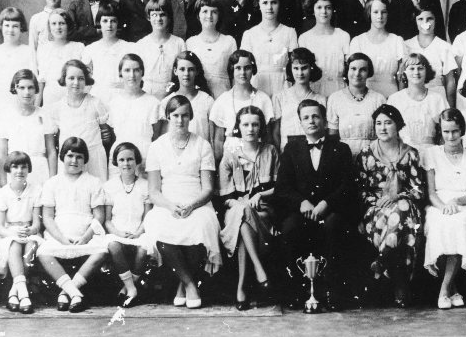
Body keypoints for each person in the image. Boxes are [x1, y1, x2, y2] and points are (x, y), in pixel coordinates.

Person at [273, 99, 357, 310]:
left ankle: (332, 290)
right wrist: (301, 202)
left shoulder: (341, 149)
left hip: (331, 210)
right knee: (290, 228)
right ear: (300, 122)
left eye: (315, 116)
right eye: (306, 118)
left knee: (334, 227)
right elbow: (283, 186)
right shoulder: (291, 149)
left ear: (324, 120)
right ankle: (297, 289)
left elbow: (347, 186)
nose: (311, 121)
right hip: (301, 210)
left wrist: (326, 204)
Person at [142, 96, 223, 309]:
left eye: (184, 115)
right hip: (166, 203)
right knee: (157, 225)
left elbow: (208, 188)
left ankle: (182, 283)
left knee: (202, 224)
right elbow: (153, 190)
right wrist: (170, 206)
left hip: (197, 202)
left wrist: (191, 205)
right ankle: (189, 284)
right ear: (168, 117)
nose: (180, 120)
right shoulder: (157, 147)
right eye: (175, 116)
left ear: (191, 117)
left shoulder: (202, 145)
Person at [357, 104, 425, 307]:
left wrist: (397, 197)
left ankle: (382, 260)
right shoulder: (366, 154)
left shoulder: (410, 153)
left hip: (405, 206)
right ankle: (400, 285)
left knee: (401, 209)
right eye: (378, 123)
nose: (383, 128)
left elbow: (419, 190)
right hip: (376, 209)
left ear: (398, 126)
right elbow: (360, 190)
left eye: (388, 123)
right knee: (398, 221)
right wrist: (378, 201)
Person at [422, 109, 466, 309]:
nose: (451, 136)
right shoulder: (432, 154)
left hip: (465, 205)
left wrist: (456, 202)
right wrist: (444, 206)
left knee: (460, 224)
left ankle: (444, 289)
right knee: (441, 224)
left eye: (455, 131)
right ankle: (453, 289)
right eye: (446, 131)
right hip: (438, 205)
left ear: (462, 131)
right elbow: (431, 192)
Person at [37, 137, 108, 313]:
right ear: (62, 157)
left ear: (85, 160)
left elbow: (99, 216)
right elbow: (47, 217)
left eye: (79, 157)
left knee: (101, 251)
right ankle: (75, 295)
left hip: (85, 236)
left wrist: (86, 237)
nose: (74, 161)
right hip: (59, 236)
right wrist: (61, 239)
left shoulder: (93, 182)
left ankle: (66, 292)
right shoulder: (52, 183)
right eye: (70, 156)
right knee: (43, 253)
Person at [218, 106, 278, 310]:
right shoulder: (230, 155)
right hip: (236, 211)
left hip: (263, 214)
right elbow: (225, 196)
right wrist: (242, 204)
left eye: (255, 124)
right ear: (238, 127)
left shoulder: (270, 151)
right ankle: (259, 271)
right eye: (245, 124)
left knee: (242, 219)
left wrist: (261, 194)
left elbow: (279, 188)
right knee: (240, 213)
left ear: (261, 127)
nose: (250, 129)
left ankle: (241, 287)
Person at [0, 151, 43, 314]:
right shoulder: (2, 193)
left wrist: (30, 230)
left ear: (29, 169)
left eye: (24, 167)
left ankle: (14, 293)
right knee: (13, 245)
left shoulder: (36, 190)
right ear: (8, 169)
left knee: (32, 245)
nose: (19, 171)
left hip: (29, 232)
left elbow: (37, 223)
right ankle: (24, 293)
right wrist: (13, 234)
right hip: (8, 233)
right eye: (15, 167)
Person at [47, 60, 112, 181]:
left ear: (86, 80)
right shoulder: (57, 108)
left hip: (94, 158)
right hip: (70, 159)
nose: (76, 82)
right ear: (64, 79)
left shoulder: (95, 103)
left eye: (81, 78)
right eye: (71, 78)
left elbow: (106, 134)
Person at [104, 143, 150, 308]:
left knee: (144, 248)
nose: (126, 163)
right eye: (121, 160)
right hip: (117, 232)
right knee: (113, 245)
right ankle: (131, 288)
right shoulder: (110, 186)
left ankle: (127, 288)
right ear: (116, 163)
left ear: (137, 161)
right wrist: (118, 233)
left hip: (139, 231)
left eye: (130, 159)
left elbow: (147, 216)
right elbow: (107, 220)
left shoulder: (145, 185)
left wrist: (138, 232)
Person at [0, 69, 57, 187]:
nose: (27, 92)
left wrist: (52, 181)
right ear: (15, 89)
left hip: (40, 171)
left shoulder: (44, 115)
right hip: (15, 171)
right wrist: (3, 182)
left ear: (36, 90)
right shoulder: (6, 116)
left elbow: (51, 151)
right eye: (22, 88)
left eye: (30, 87)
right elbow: (2, 153)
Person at [210, 50, 275, 155]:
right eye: (238, 68)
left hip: (257, 154)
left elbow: (267, 137)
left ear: (253, 69)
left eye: (247, 68)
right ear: (232, 70)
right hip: (231, 155)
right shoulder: (223, 100)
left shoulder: (263, 99)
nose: (243, 73)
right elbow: (218, 140)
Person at [240, 0, 298, 97]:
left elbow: (294, 64)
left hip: (283, 85)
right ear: (258, 5)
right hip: (257, 84)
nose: (269, 7)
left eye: (274, 2)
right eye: (265, 3)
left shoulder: (289, 32)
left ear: (280, 4)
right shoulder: (249, 34)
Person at [108, 54, 160, 177]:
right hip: (119, 158)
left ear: (142, 73)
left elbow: (156, 137)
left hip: (144, 158)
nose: (132, 75)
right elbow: (111, 135)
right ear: (120, 74)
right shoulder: (113, 103)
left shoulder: (153, 102)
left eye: (136, 70)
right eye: (127, 70)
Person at [387, 53, 448, 156]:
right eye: (411, 68)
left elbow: (447, 129)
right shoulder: (395, 99)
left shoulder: (437, 98)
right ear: (404, 72)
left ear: (426, 71)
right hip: (402, 154)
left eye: (420, 68)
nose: (416, 72)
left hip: (431, 154)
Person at [327, 53, 386, 156]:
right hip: (344, 156)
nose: (357, 73)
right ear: (347, 71)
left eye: (363, 69)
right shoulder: (335, 98)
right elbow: (333, 137)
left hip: (373, 155)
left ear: (368, 73)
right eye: (353, 68)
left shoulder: (379, 99)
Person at [349, 0, 406, 98]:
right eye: (375, 12)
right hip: (365, 95)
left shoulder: (397, 41)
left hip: (391, 95)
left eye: (383, 12)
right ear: (369, 13)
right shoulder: (358, 41)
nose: (380, 16)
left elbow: (402, 77)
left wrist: (400, 99)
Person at [272, 48, 326, 151]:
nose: (300, 73)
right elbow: (276, 132)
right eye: (296, 68)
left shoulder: (321, 99)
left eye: (304, 68)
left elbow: (323, 131)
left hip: (313, 150)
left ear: (311, 68)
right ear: (290, 69)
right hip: (286, 151)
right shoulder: (279, 97)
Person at [0, 7, 34, 112]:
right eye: (7, 25)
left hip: (21, 108)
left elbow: (34, 87)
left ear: (21, 28)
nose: (10, 30)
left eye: (15, 26)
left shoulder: (29, 52)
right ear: (1, 27)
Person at [298, 0, 350, 97]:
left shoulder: (343, 36)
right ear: (312, 10)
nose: (324, 11)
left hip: (338, 89)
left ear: (333, 10)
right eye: (319, 7)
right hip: (314, 89)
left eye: (328, 7)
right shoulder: (305, 38)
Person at [82, 2, 134, 104]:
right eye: (105, 21)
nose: (109, 25)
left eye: (113, 21)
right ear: (99, 23)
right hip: (98, 95)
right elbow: (86, 79)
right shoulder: (90, 49)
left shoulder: (129, 47)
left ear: (118, 23)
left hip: (122, 95)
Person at [157, 51, 215, 144]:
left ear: (197, 71)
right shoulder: (166, 102)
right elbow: (163, 139)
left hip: (200, 154)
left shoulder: (207, 101)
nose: (186, 73)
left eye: (191, 69)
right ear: (175, 71)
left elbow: (212, 138)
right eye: (182, 69)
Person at [185, 0, 237, 96]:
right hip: (198, 95)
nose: (209, 16)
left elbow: (235, 75)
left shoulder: (229, 41)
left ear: (219, 15)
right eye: (205, 11)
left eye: (214, 12)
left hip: (223, 95)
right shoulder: (190, 42)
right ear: (198, 15)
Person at [134, 0, 186, 100]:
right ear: (148, 17)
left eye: (162, 15)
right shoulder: (141, 45)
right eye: (154, 15)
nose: (158, 19)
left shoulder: (179, 43)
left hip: (171, 96)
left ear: (169, 17)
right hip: (146, 96)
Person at [405, 8, 457, 106]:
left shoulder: (444, 47)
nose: (425, 23)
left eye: (429, 19)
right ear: (415, 21)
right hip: (413, 96)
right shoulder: (406, 45)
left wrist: (450, 107)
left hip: (437, 98)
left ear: (435, 20)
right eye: (420, 19)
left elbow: (450, 81)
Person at [36, 8, 85, 107]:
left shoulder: (79, 47)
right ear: (49, 27)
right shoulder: (43, 49)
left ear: (68, 26)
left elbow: (84, 79)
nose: (58, 27)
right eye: (54, 24)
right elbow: (41, 81)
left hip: (73, 96)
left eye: (62, 23)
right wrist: (36, 107)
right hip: (51, 97)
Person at [27, 0, 67, 69]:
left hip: (63, 65)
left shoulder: (68, 17)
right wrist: (35, 73)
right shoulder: (36, 19)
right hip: (44, 67)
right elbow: (33, 49)